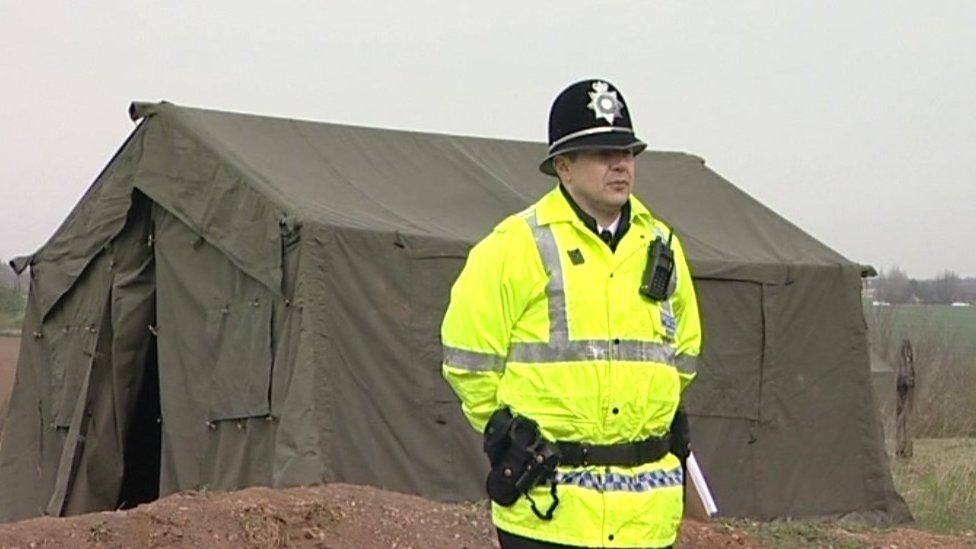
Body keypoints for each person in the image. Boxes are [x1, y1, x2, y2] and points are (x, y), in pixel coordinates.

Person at [441, 79, 702, 549]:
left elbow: (682, 359)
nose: (621, 165)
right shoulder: (513, 246)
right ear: (563, 166)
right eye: (603, 154)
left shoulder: (662, 246)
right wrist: (507, 433)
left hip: (645, 519)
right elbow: (468, 360)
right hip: (549, 513)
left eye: (627, 153)